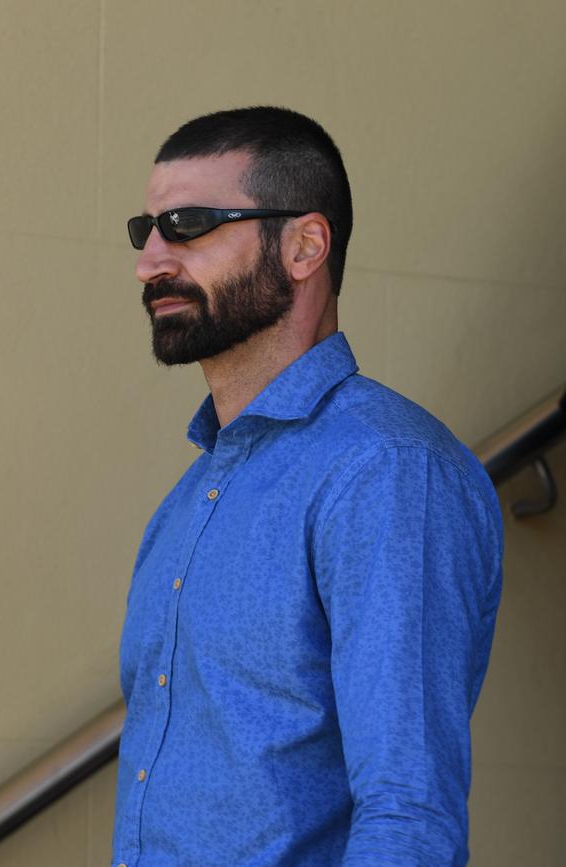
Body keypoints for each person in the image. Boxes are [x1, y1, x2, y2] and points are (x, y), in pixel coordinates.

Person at [112, 106, 504, 867]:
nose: (150, 260)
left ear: (303, 245)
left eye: (188, 224)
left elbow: (408, 815)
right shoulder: (190, 498)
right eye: (147, 228)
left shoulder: (386, 471)